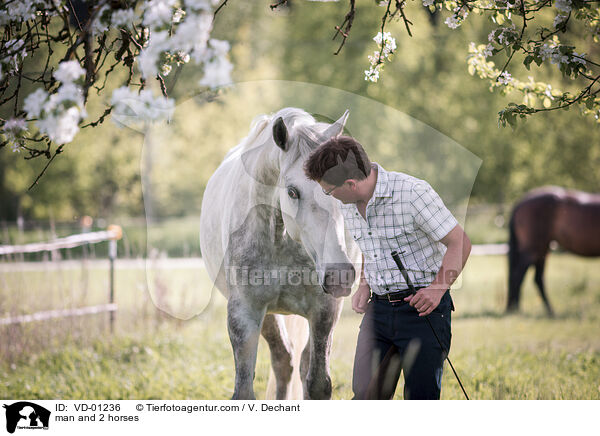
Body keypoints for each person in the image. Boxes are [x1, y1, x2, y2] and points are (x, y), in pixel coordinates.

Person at [304, 135, 471, 400]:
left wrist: (437, 290)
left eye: (328, 190)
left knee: (421, 398)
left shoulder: (413, 193)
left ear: (350, 183)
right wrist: (363, 284)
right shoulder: (346, 202)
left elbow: (459, 242)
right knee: (366, 396)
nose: (329, 195)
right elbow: (370, 245)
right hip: (378, 312)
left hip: (422, 310)